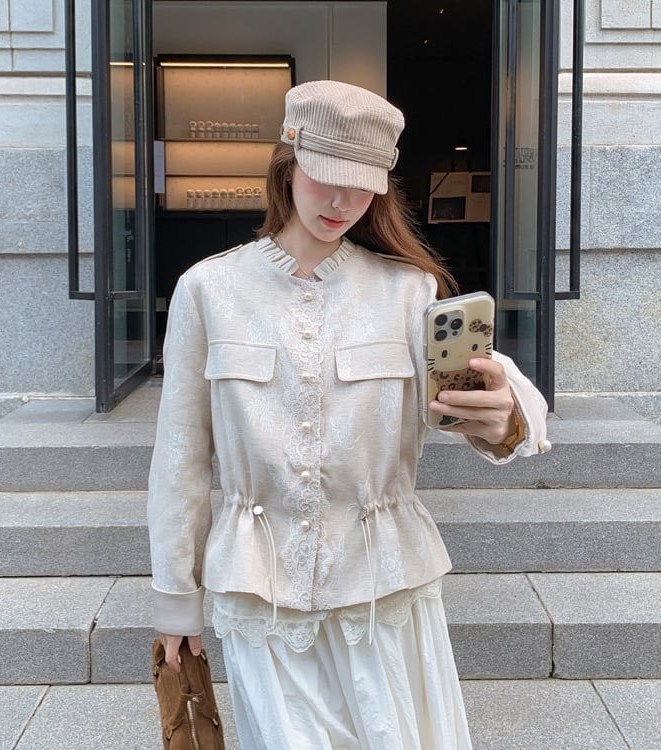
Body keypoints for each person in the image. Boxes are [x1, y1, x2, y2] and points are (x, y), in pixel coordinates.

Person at [147, 79, 550, 749]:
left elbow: (491, 399)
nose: (340, 202)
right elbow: (180, 458)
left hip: (385, 589)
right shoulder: (208, 291)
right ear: (288, 160)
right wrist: (175, 600)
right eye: (325, 177)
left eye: (361, 187)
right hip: (259, 592)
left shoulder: (408, 290)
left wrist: (506, 413)